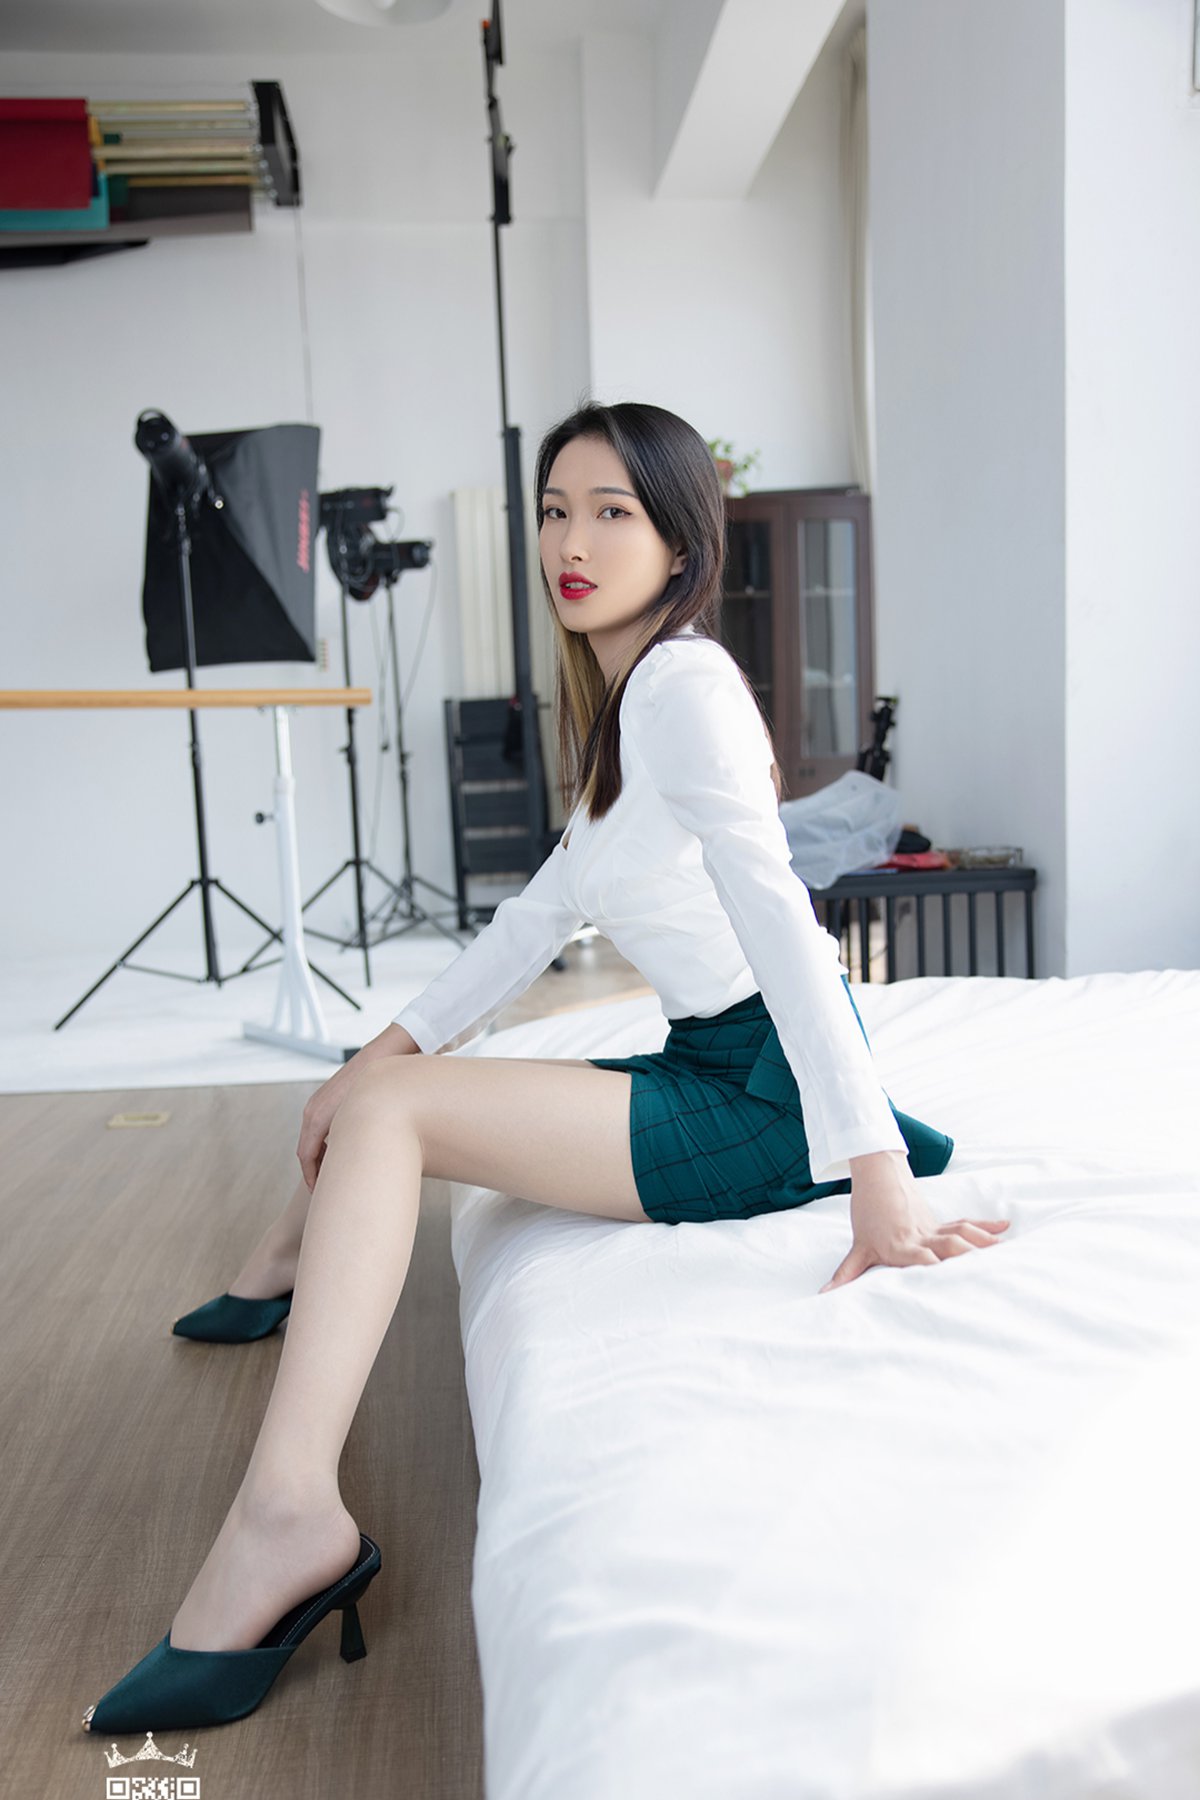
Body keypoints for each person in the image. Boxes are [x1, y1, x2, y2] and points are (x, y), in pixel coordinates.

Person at [82, 400, 1009, 1736]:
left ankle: (287, 1515)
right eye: (555, 511)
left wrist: (874, 1175)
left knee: (393, 1114)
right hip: (718, 1061)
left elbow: (786, 929)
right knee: (380, 1091)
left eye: (611, 513)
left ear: (682, 542)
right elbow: (532, 923)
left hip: (765, 1096)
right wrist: (370, 1053)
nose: (571, 543)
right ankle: (278, 1268)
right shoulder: (627, 707)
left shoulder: (684, 690)